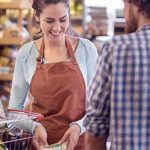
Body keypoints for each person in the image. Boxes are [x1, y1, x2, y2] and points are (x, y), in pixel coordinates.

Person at [8, 0, 98, 150]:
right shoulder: (26, 54)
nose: (57, 27)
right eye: (49, 21)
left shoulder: (86, 50)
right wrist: (34, 127)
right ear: (37, 16)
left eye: (63, 20)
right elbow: (13, 111)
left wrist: (78, 127)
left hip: (81, 143)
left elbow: (97, 106)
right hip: (42, 145)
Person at [83, 0, 150, 150]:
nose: (125, 12)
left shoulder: (117, 48)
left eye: (124, 4)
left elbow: (96, 126)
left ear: (136, 4)